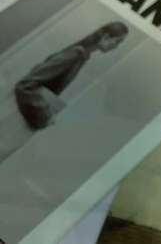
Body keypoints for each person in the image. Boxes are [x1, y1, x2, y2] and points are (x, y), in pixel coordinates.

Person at [0, 21, 129, 161]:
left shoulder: (81, 55)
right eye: (118, 41)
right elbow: (25, 85)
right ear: (106, 37)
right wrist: (45, 116)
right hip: (15, 120)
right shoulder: (75, 54)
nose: (116, 47)